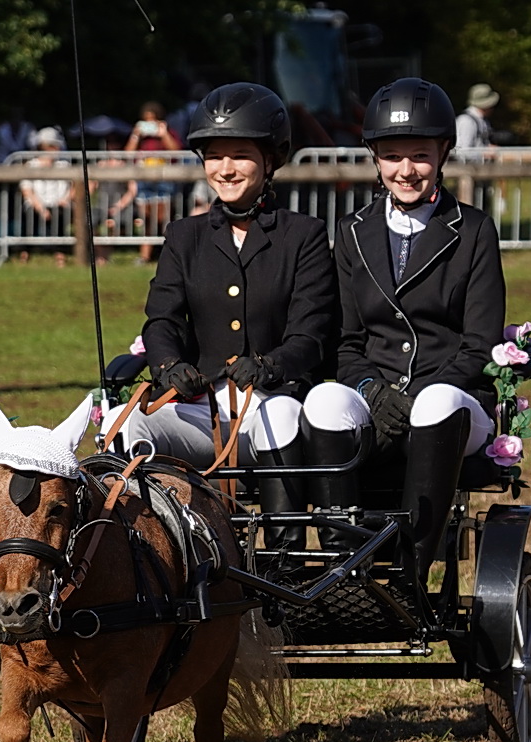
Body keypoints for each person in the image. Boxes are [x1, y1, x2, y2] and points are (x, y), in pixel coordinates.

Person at [104, 83, 336, 566]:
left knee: (279, 416)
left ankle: (283, 563)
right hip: (199, 408)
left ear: (271, 160)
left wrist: (271, 366)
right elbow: (162, 318)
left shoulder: (304, 236)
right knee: (126, 421)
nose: (225, 170)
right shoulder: (183, 235)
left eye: (240, 156)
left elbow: (311, 334)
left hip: (271, 405)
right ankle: (153, 560)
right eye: (214, 156)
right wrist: (168, 365)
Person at [332, 78, 505, 579]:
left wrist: (421, 392)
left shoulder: (473, 231)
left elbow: (479, 343)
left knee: (434, 403)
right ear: (376, 158)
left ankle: (412, 571)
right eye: (392, 156)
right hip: (378, 398)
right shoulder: (351, 232)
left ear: (443, 153)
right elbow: (345, 343)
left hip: (453, 401)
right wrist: (371, 389)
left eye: (420, 155)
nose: (406, 170)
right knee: (324, 402)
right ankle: (345, 569)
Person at [112, 102, 183, 263]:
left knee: (164, 219)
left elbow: (176, 152)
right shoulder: (140, 137)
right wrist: (136, 135)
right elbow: (128, 154)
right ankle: (145, 256)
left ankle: (169, 255)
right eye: (146, 121)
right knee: (147, 220)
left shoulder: (168, 133)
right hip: (143, 179)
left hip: (164, 179)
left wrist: (163, 134)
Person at [17, 126, 73, 265]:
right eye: (52, 147)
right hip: (36, 204)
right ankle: (25, 254)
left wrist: (65, 199)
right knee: (28, 218)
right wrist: (41, 208)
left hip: (59, 204)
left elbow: (75, 186)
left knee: (61, 217)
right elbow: (27, 190)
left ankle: (60, 255)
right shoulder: (31, 166)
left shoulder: (64, 165)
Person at [454, 84, 499, 158]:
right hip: (465, 169)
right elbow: (461, 152)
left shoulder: (482, 120)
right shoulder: (467, 121)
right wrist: (485, 154)